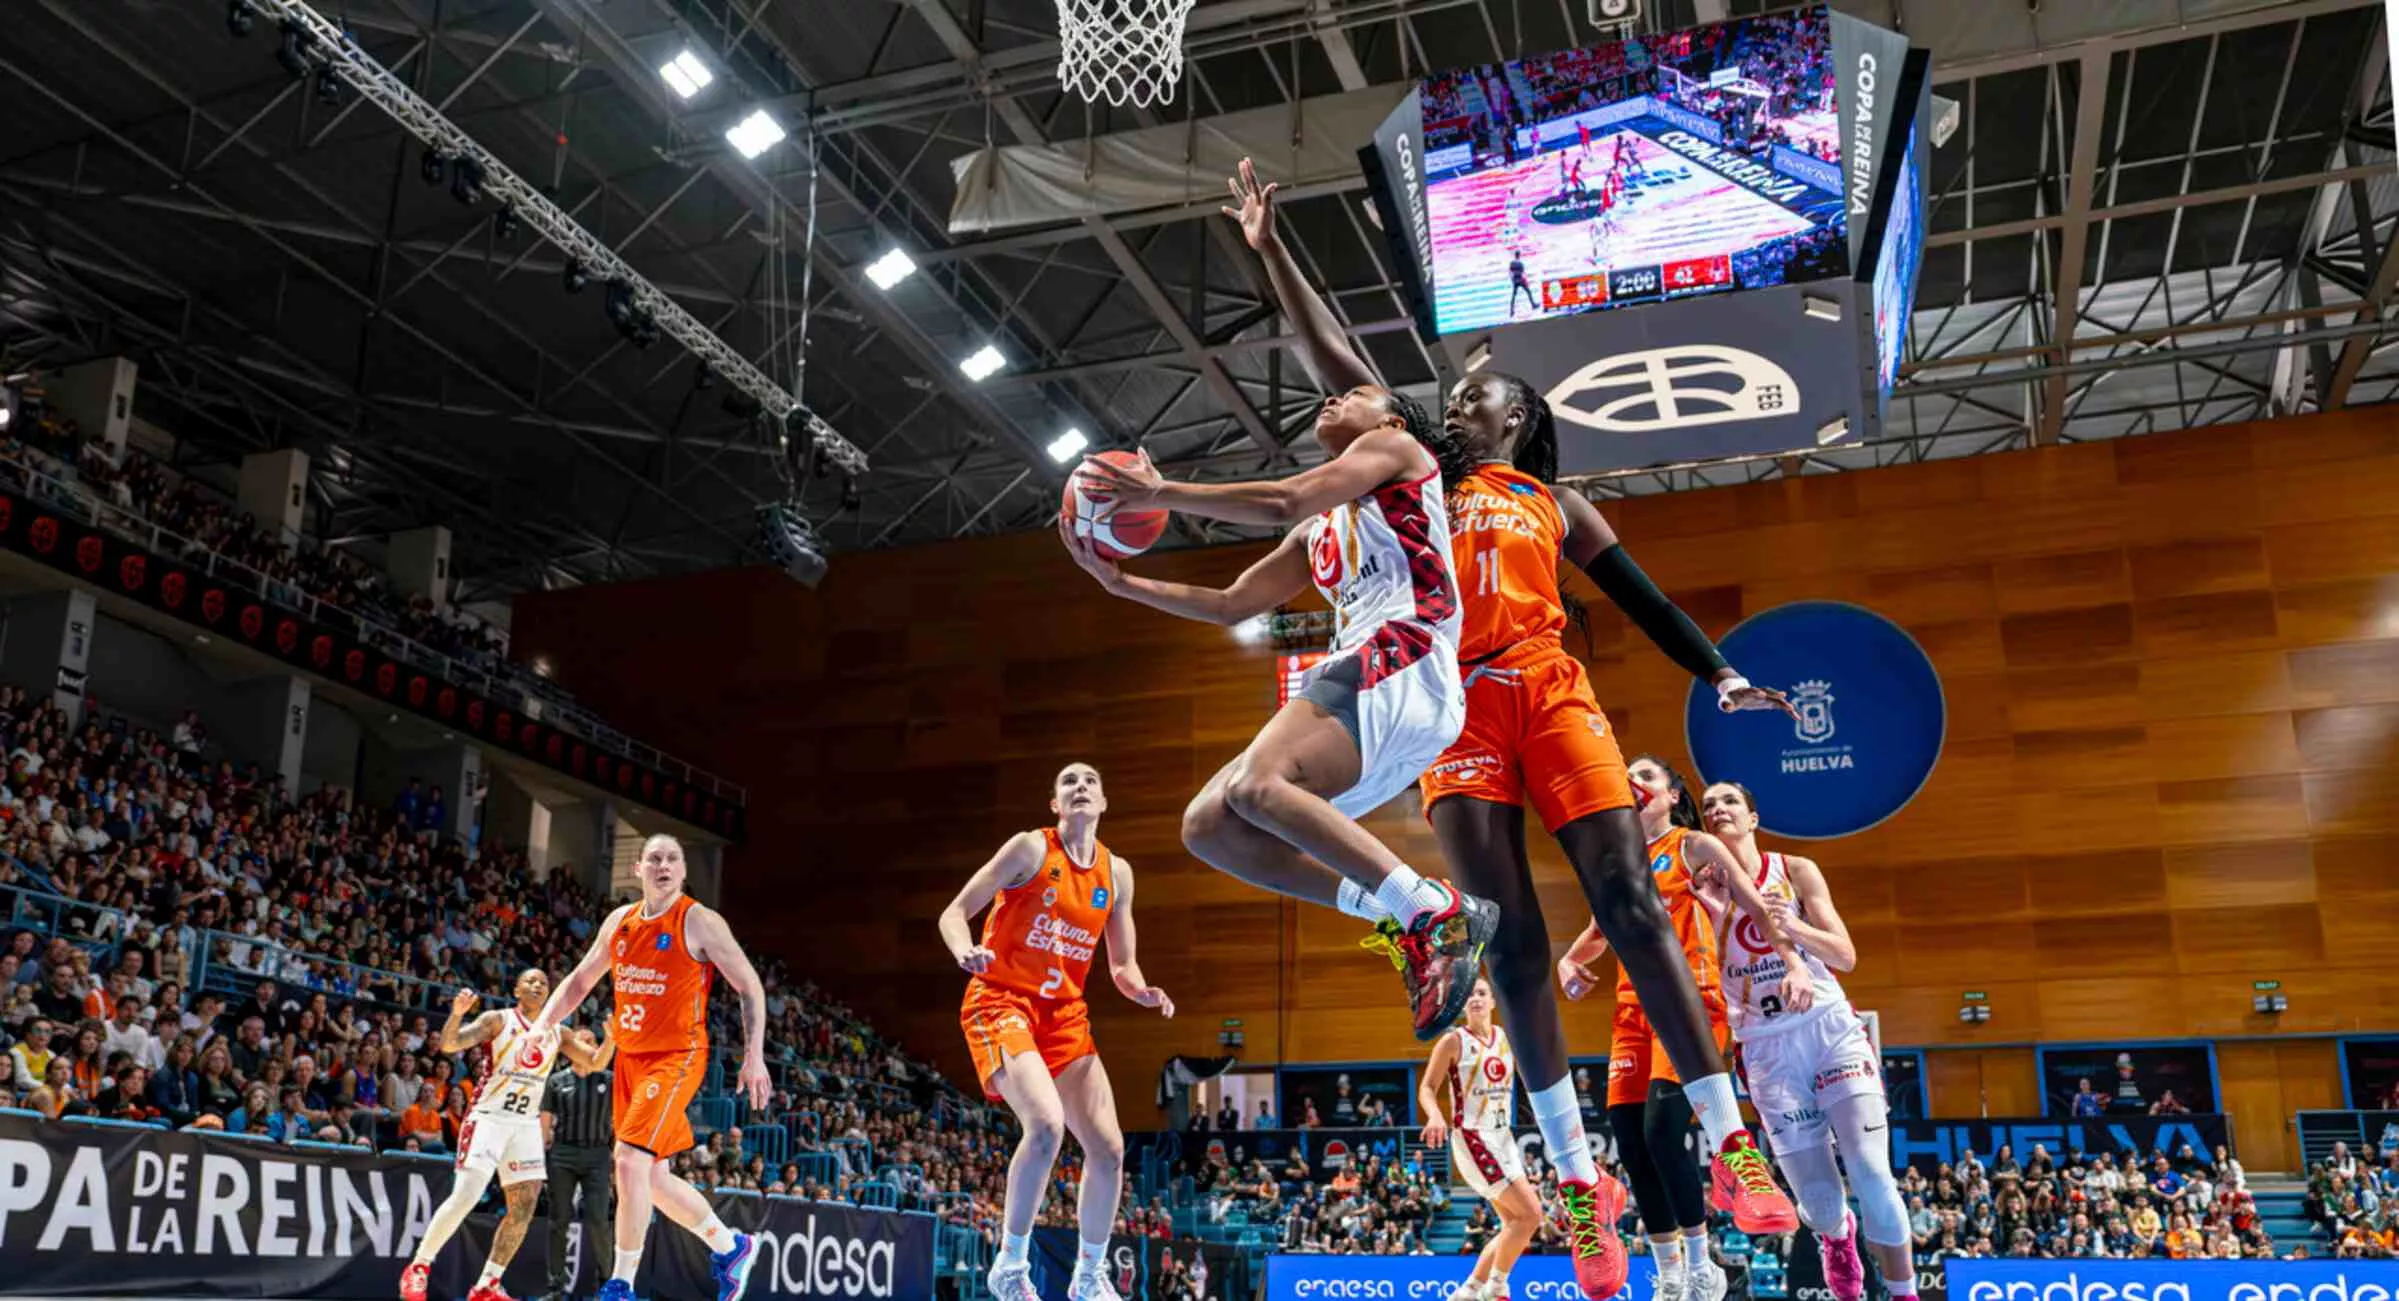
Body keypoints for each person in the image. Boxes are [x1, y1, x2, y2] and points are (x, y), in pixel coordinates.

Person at [1221, 156, 1795, 1299]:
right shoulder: (1421, 471)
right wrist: (1270, 249)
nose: (1458, 397)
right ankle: (1578, 1189)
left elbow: (1646, 601)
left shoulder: (1555, 501)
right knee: (1513, 945)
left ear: (1521, 416)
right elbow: (1342, 365)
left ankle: (1728, 1143)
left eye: (1479, 389)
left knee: (1631, 901)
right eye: (1454, 391)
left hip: (1547, 683)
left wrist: (1719, 671)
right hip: (1454, 699)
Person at [1060, 342, 1497, 1043]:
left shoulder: (1396, 449)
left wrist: (1160, 492)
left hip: (1405, 649)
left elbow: (1283, 494)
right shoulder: (1317, 527)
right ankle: (1397, 912)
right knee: (1211, 826)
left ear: (1391, 418)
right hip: (1387, 680)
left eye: (1353, 395)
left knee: (1259, 782)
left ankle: (1431, 908)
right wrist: (1120, 584)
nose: (1333, 400)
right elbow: (1234, 602)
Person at [938, 763, 1175, 1301]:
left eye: (1091, 780)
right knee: (1044, 1124)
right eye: (1069, 782)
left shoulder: (1118, 875)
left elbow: (1122, 964)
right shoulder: (1029, 850)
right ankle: (1010, 1263)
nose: (1081, 786)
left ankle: (1089, 1277)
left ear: (1104, 802)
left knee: (1110, 1149)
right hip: (1000, 1000)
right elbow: (953, 913)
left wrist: (1141, 990)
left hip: (1064, 1015)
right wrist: (963, 952)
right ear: (1056, 805)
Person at [1686, 781, 1918, 1301]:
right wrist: (1718, 915)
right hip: (1765, 1048)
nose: (1718, 810)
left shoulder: (1794, 870)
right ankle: (1837, 1239)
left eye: (1729, 802)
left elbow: (1844, 956)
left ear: (1752, 817)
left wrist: (1789, 924)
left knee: (1870, 1168)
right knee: (1819, 1199)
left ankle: (1904, 1292)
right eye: (1708, 807)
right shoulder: (1700, 889)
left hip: (1828, 1029)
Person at [1557, 758, 1768, 1301]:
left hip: (1691, 1001)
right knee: (1629, 1140)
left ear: (1673, 795)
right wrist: (1568, 962)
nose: (1635, 782)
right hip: (1632, 1008)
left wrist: (1787, 960)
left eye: (1647, 775)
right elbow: (1598, 931)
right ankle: (1669, 1273)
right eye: (1628, 775)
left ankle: (1703, 1265)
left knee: (1659, 1132)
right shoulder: (1618, 859)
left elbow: (1751, 903)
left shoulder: (1693, 846)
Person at [534, 835, 773, 1301]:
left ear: (683, 871)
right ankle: (731, 1247)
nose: (664, 865)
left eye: (673, 859)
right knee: (654, 1179)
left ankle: (621, 1284)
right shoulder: (619, 922)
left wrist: (754, 1053)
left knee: (627, 1161)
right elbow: (582, 979)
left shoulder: (699, 920)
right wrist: (543, 1024)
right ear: (638, 868)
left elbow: (749, 987)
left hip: (677, 1057)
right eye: (655, 859)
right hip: (630, 1059)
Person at [400, 970, 610, 1301]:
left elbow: (595, 1063)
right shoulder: (498, 1020)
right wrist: (456, 1014)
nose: (539, 985)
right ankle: (419, 1267)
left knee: (524, 1206)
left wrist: (611, 1038)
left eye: (544, 982)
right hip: (488, 1118)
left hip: (525, 1123)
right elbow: (449, 1044)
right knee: (467, 1195)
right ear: (516, 989)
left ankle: (488, 1284)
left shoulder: (558, 1031)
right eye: (531, 981)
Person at [1419, 978, 1539, 1301]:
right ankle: (1497, 1288)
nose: (1475, 998)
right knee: (1531, 1215)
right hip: (1473, 1139)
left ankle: (1468, 1291)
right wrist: (1434, 1115)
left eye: (1482, 993)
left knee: (1515, 1224)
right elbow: (1427, 1087)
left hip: (1504, 1139)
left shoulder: (1505, 1037)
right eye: (1469, 994)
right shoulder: (1452, 1042)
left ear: (1492, 1001)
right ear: (1462, 1003)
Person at [546, 1021, 618, 1301]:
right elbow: (544, 1122)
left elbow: (620, 1120)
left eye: (592, 1041)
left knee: (599, 1221)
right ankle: (555, 1287)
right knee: (557, 1221)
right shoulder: (556, 1081)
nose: (587, 1046)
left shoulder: (608, 1080)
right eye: (581, 1041)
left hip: (598, 1155)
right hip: (563, 1154)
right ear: (570, 1048)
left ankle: (606, 1283)